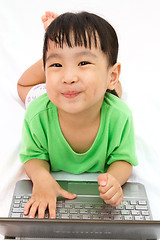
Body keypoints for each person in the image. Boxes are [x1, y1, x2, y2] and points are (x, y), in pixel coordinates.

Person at [17, 11, 138, 219]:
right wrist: (41, 178)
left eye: (83, 63)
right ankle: (58, 44)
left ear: (112, 74)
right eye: (56, 64)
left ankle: (68, 53)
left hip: (103, 92)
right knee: (23, 86)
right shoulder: (37, 114)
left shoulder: (120, 116)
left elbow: (123, 160)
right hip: (52, 95)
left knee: (114, 92)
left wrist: (115, 180)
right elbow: (33, 157)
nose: (69, 77)